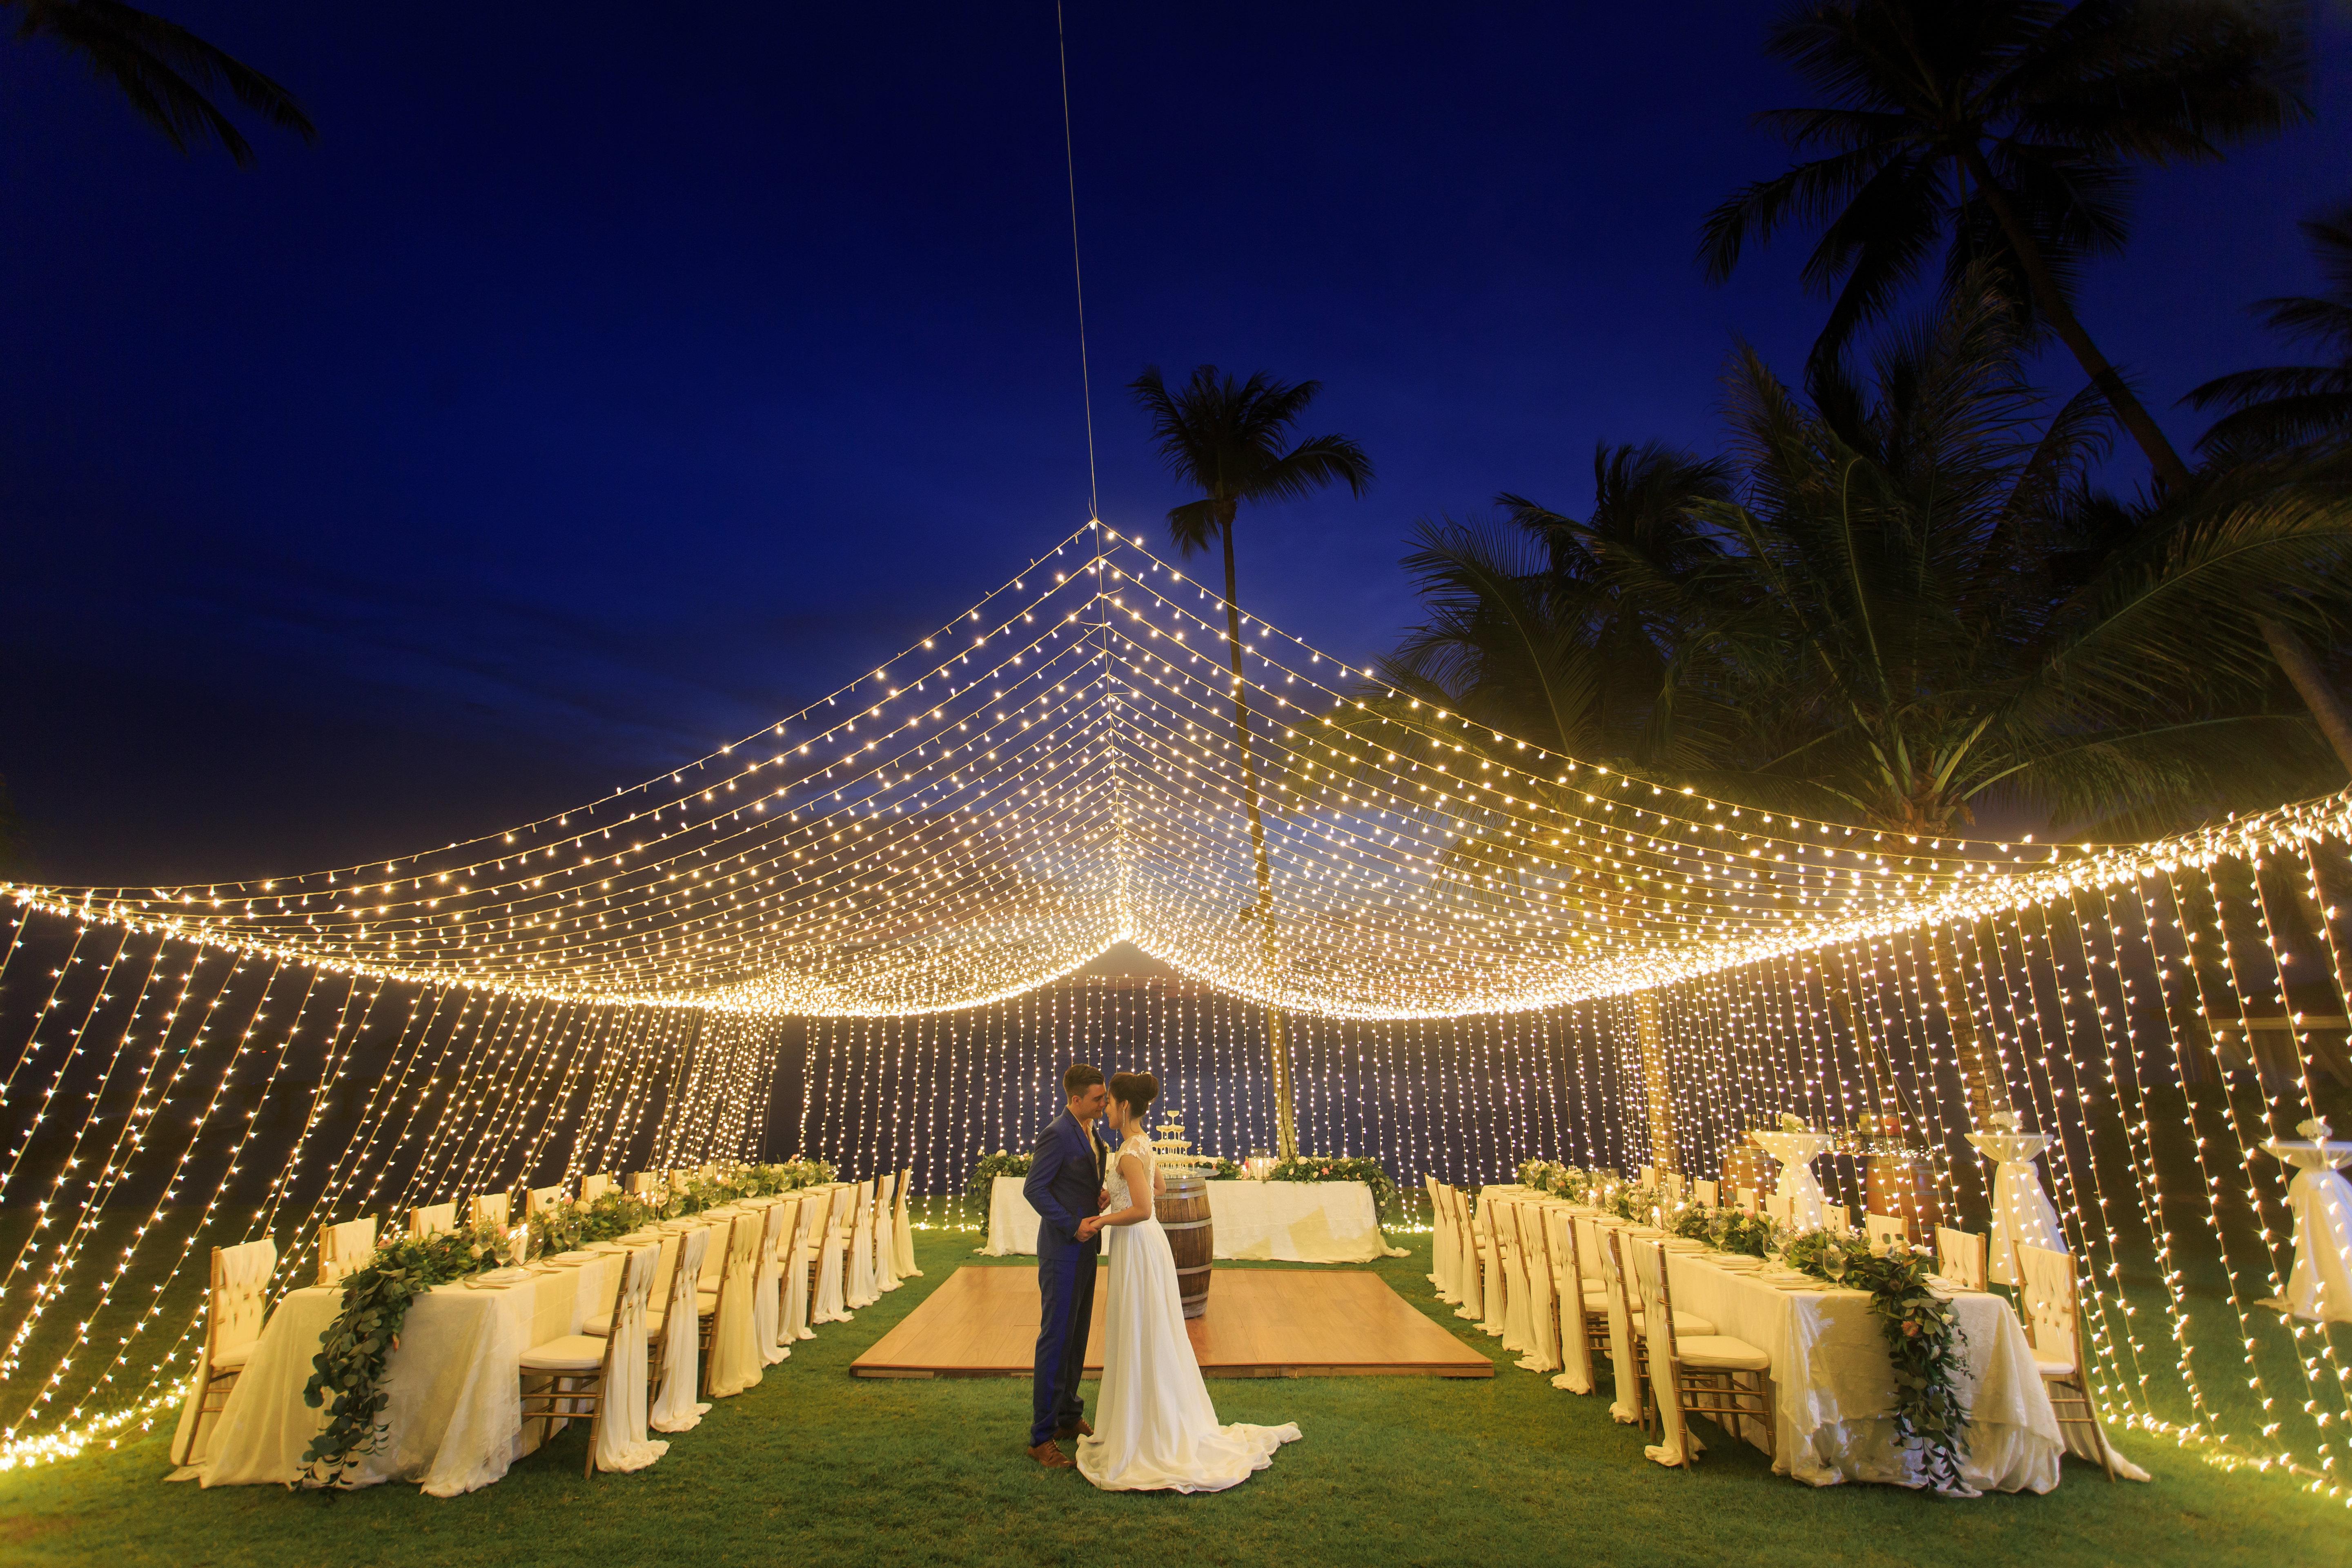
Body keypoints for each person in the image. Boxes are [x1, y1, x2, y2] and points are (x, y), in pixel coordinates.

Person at [1076, 1069, 1300, 1491]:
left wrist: (1102, 1219)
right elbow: (1157, 1187)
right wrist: (1117, 1193)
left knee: (1141, 1330)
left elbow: (1143, 1207)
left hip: (1137, 1245)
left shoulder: (1127, 1152)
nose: (1104, 1108)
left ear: (1123, 1106)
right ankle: (1158, 1415)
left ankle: (1146, 1430)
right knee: (1152, 1330)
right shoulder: (1143, 1145)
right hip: (1148, 1245)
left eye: (1108, 1103)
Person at [1023, 1062, 1110, 1468]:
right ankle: (1041, 1437)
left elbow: (1080, 1183)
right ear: (1076, 1100)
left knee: (1077, 1335)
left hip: (1087, 1248)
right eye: (1098, 1097)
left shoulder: (1092, 1134)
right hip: (1062, 1249)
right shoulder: (1057, 1134)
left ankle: (1068, 1415)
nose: (1105, 1101)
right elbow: (1034, 1188)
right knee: (1056, 1338)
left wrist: (1098, 1198)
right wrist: (1071, 1224)